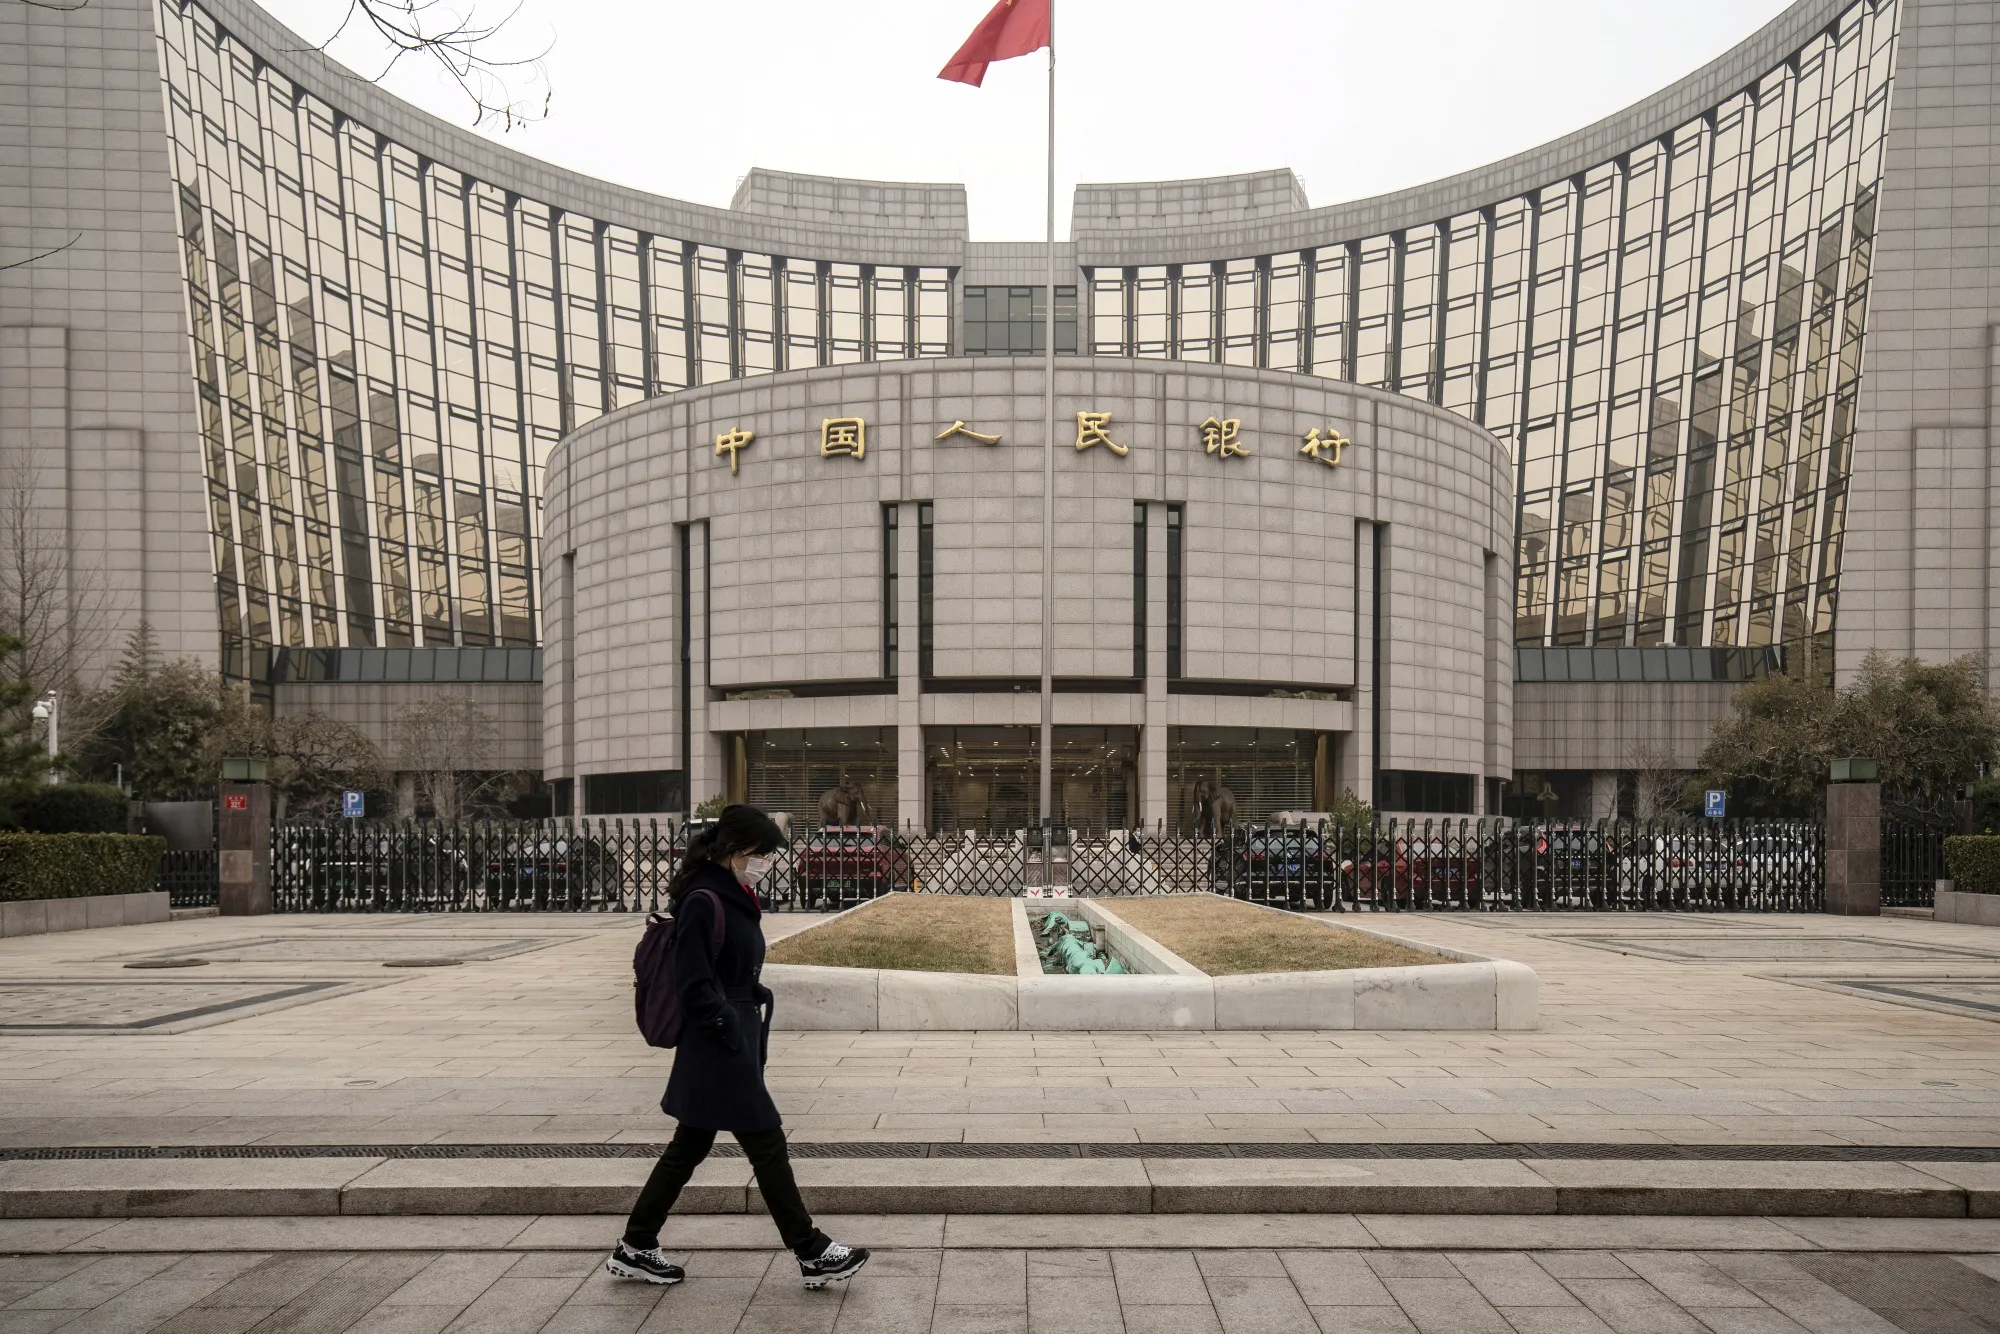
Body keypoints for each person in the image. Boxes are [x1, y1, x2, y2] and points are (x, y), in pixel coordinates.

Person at [606, 803, 869, 1290]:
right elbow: (693, 984)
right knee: (766, 1143)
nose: (766, 863)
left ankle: (637, 1243)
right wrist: (727, 1023)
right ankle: (810, 1251)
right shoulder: (707, 901)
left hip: (729, 1040)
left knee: (689, 1146)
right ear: (734, 852)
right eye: (761, 853)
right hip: (718, 1046)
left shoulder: (731, 894)